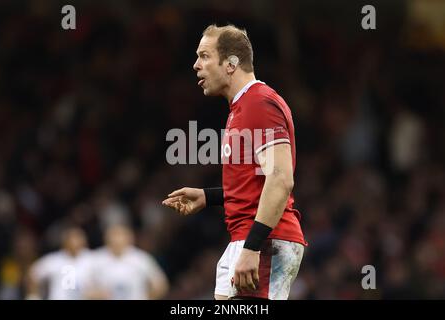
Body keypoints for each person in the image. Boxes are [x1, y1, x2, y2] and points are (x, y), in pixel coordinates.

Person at [162, 24, 307, 300]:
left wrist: (252, 248)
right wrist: (209, 196)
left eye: (204, 56)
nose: (195, 65)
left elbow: (280, 179)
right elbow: (257, 184)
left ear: (230, 64)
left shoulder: (259, 103)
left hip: (264, 241)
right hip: (251, 238)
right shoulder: (242, 108)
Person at [85, 224, 169, 300]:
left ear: (130, 238)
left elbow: (160, 284)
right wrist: (93, 294)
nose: (117, 240)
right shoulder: (95, 258)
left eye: (120, 236)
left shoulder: (141, 259)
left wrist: (148, 297)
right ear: (106, 238)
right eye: (114, 236)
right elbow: (81, 285)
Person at [26, 226, 93, 300]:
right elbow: (33, 274)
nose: (75, 241)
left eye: (78, 237)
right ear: (64, 241)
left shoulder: (91, 259)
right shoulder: (54, 260)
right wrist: (34, 296)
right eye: (72, 238)